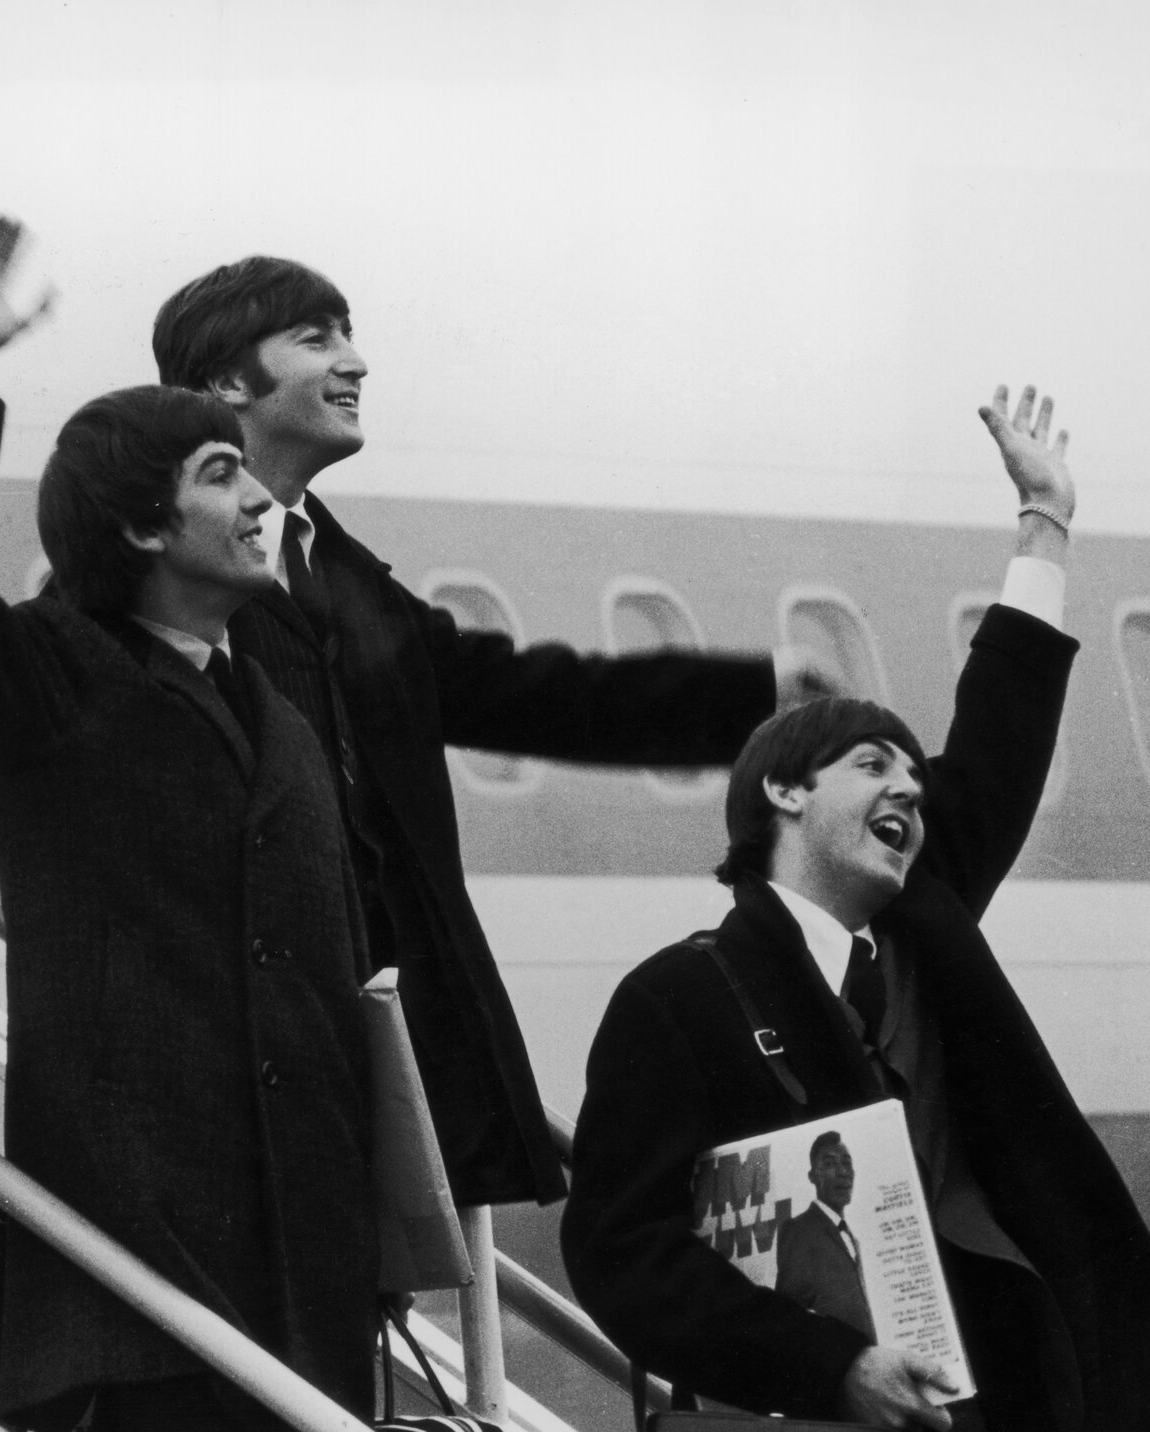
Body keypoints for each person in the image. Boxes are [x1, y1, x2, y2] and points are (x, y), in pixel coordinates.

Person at [560, 388, 1150, 1430]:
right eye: (871, 764)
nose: (908, 787)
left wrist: (1042, 520)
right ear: (781, 791)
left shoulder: (925, 915)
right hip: (837, 1407)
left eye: (913, 772)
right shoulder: (674, 999)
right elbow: (622, 1252)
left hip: (1020, 1381)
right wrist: (827, 1366)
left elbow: (998, 730)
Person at [153, 256, 838, 1213]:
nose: (354, 362)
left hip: (364, 1040)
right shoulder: (154, 580)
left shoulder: (343, 581)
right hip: (255, 1053)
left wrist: (752, 691)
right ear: (228, 383)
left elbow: (534, 695)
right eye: (316, 338)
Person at [0, 217, 376, 1432]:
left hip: (298, 1282)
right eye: (219, 476)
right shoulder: (56, 680)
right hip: (138, 1283)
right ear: (141, 528)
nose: (258, 501)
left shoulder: (278, 721)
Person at [775, 1131, 876, 1341]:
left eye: (847, 1163)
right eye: (830, 1164)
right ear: (813, 1176)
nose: (843, 1172)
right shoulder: (799, 1229)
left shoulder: (850, 1236)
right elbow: (788, 1314)